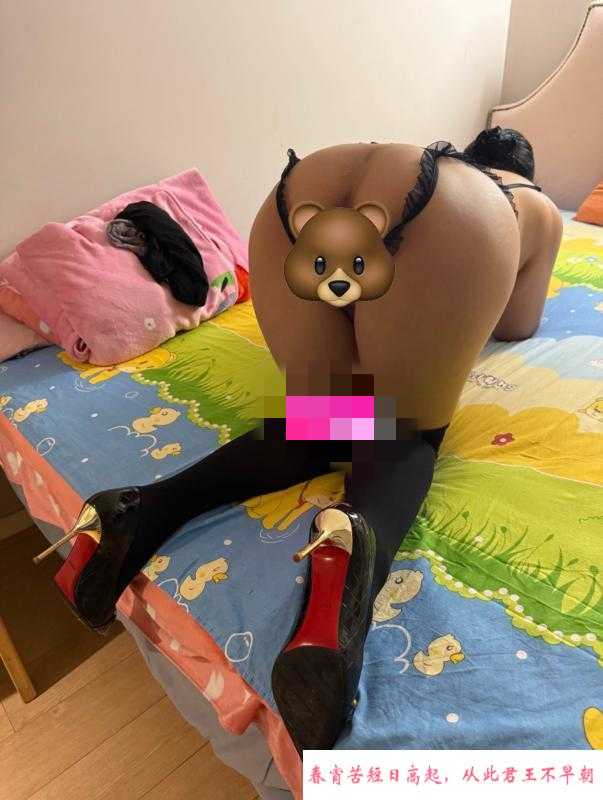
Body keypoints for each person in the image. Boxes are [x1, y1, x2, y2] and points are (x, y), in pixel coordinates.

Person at [36, 127, 562, 755]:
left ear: (470, 153)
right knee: (401, 432)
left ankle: (141, 508)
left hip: (298, 194)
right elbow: (519, 323)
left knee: (326, 416)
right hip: (452, 217)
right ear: (524, 172)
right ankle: (347, 553)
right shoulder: (532, 204)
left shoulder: (434, 164)